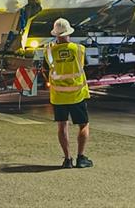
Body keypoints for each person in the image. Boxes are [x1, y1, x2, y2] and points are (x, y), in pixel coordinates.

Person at [46, 17, 93, 169]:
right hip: (77, 94)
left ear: (55, 34)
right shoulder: (79, 49)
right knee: (83, 125)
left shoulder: (49, 50)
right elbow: (83, 65)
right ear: (69, 33)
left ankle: (67, 159)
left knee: (62, 126)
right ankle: (81, 158)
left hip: (58, 95)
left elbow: (48, 68)